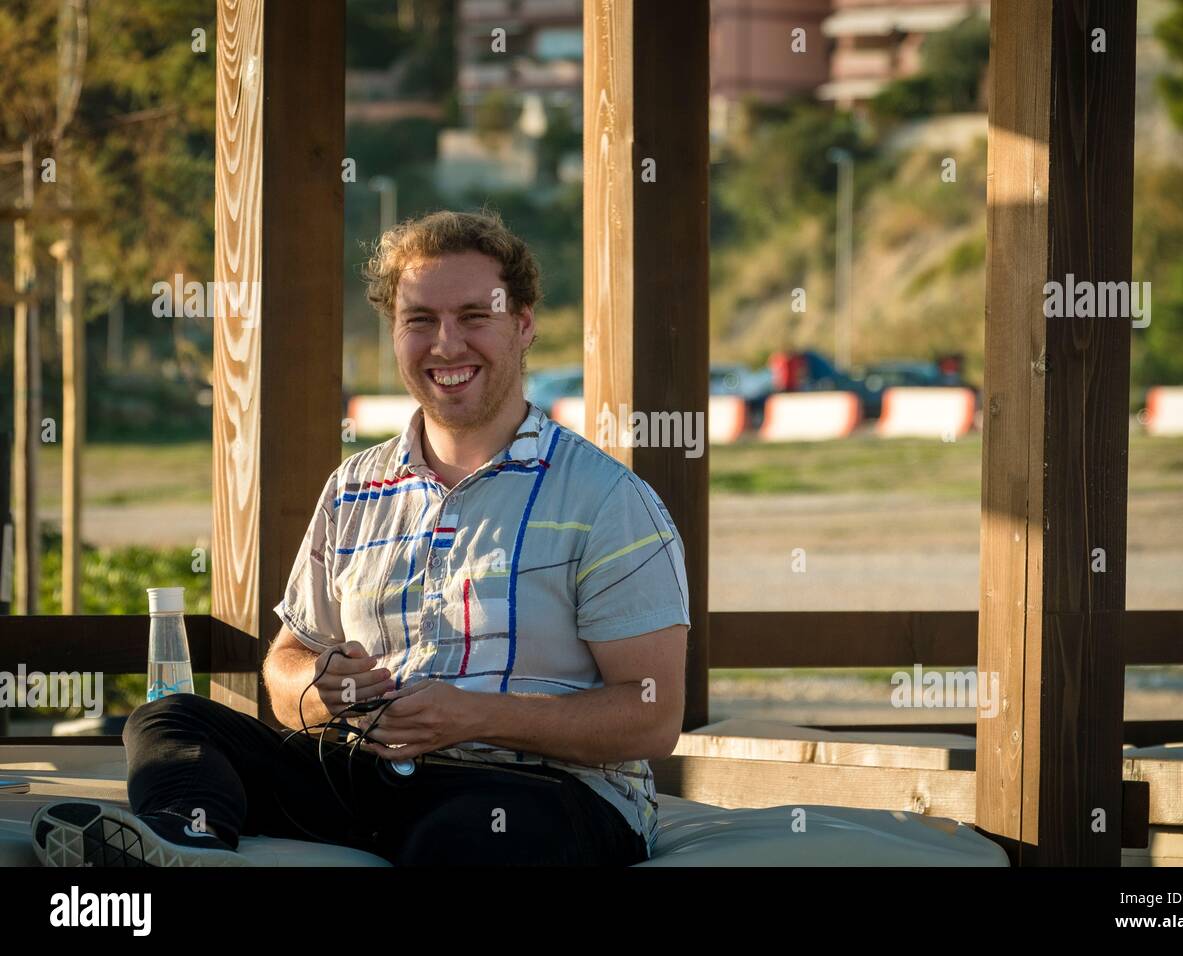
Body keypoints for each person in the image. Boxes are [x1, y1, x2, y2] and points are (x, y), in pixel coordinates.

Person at [31, 209, 690, 867]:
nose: (446, 344)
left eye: (473, 316)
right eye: (420, 320)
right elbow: (288, 660)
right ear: (395, 333)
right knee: (172, 718)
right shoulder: (355, 487)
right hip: (365, 775)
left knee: (464, 838)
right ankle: (185, 845)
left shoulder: (607, 499)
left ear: (523, 326)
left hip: (542, 793)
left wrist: (480, 717)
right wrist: (318, 690)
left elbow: (652, 717)